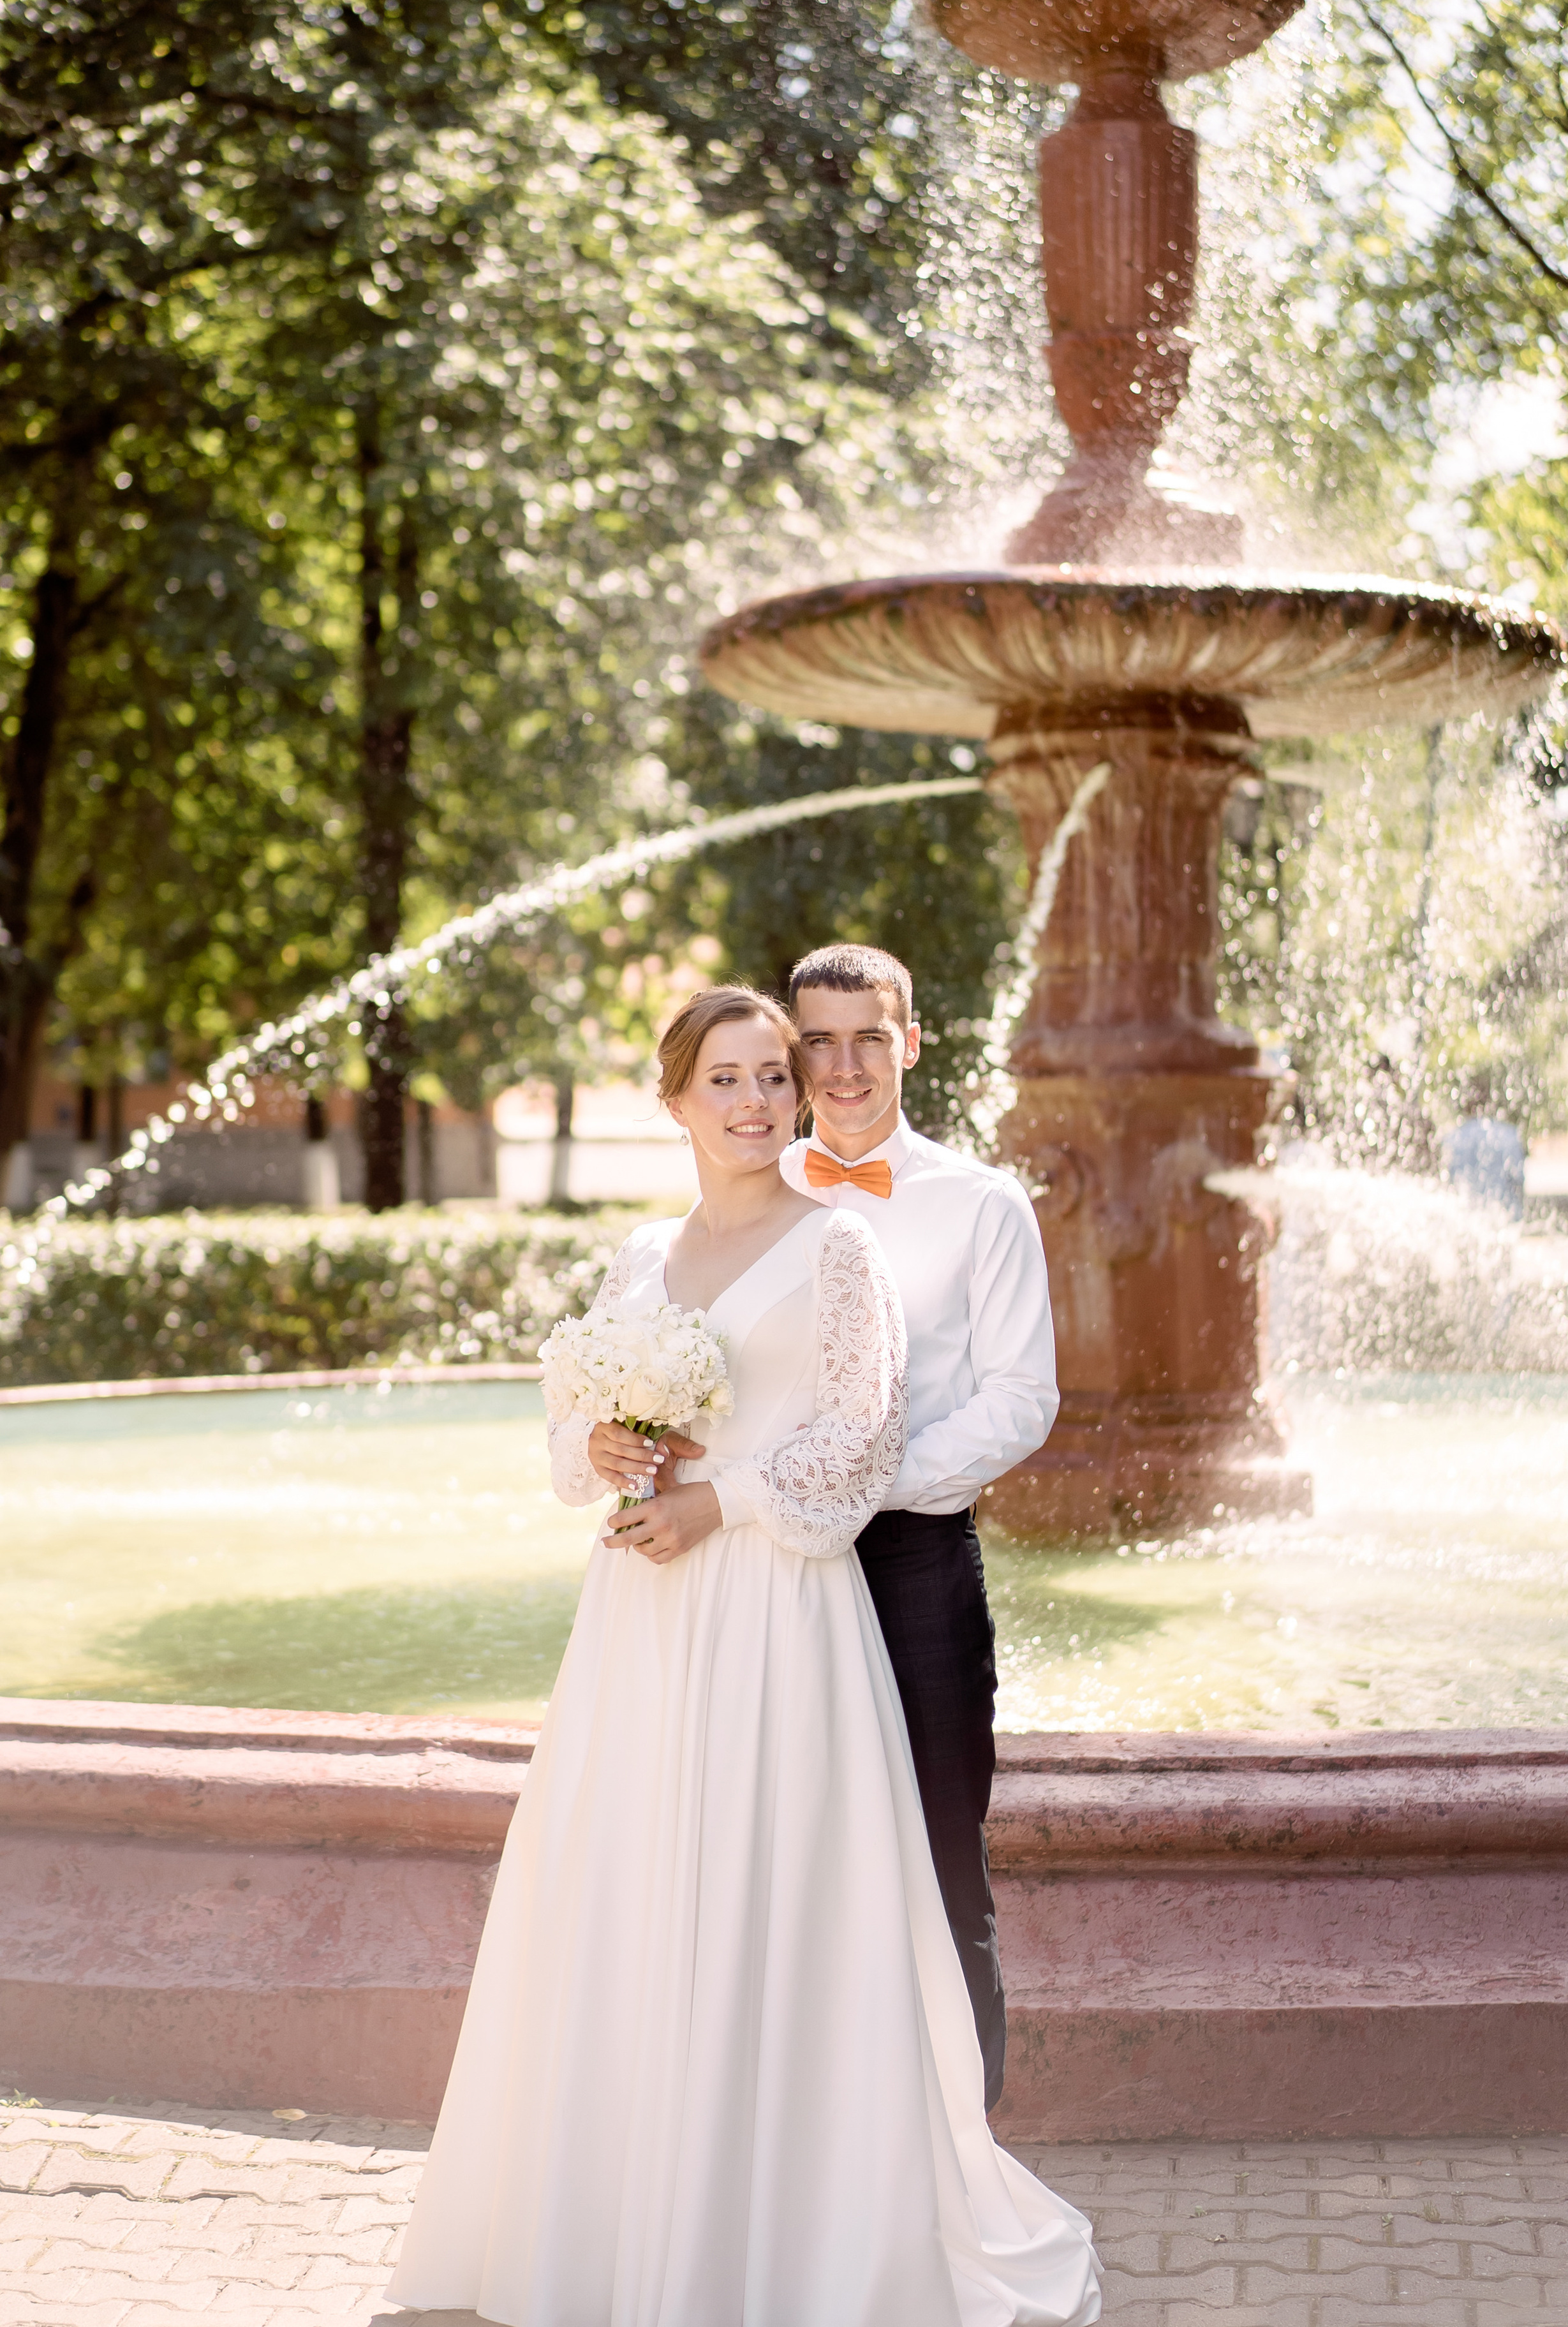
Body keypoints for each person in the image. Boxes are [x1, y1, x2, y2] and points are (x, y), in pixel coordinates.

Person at [387, 984, 1101, 2327]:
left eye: (774, 1077)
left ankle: (773, 2225)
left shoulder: (841, 1251)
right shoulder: (638, 1263)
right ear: (674, 1100)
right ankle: (617, 2218)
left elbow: (858, 1442)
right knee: (632, 1883)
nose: (761, 1101)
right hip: (643, 1623)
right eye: (729, 1079)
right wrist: (603, 1452)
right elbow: (564, 1432)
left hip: (777, 1610)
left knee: (776, 1891)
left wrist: (719, 1502)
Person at [788, 941, 1058, 2113]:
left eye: (869, 1037)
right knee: (784, 1854)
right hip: (769, 1571)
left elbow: (1020, 1398)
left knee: (944, 1861)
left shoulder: (980, 1203)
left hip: (913, 1569)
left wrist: (860, 1481)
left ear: (910, 1041)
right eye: (818, 1041)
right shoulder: (743, 1197)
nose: (844, 1068)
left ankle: (962, 2151)